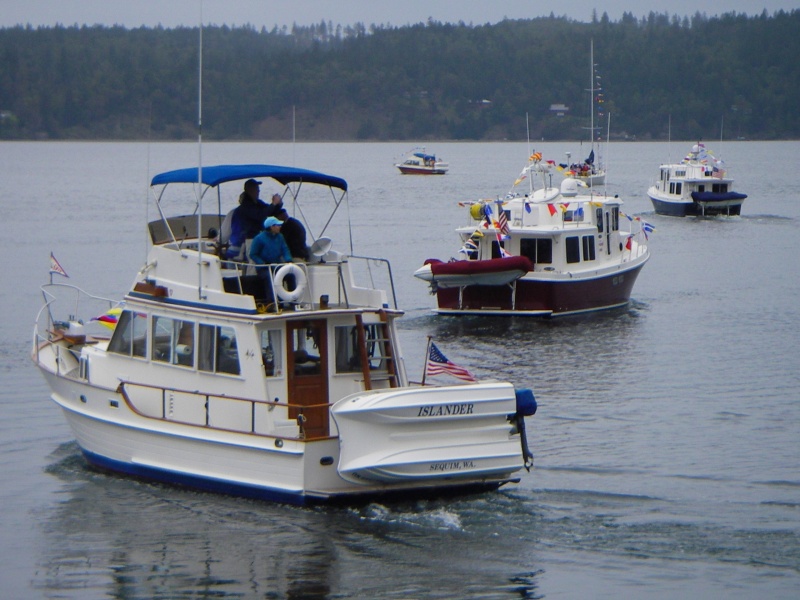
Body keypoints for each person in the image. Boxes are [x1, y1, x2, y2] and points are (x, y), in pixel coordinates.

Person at [249, 216, 292, 303]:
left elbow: (285, 249)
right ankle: (272, 302)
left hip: (277, 265)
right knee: (269, 277)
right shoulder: (259, 238)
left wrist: (288, 260)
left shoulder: (280, 237)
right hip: (264, 267)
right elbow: (253, 254)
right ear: (271, 227)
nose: (280, 226)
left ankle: (293, 300)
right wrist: (262, 263)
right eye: (277, 225)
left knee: (291, 275)